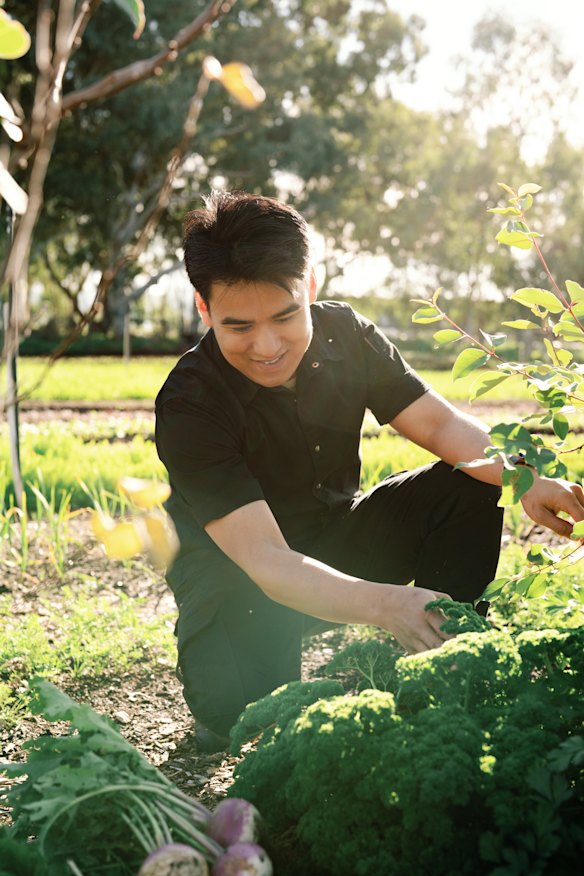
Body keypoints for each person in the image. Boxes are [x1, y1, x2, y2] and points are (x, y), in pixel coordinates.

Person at [155, 190, 584, 751]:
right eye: (239, 327)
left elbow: (440, 427)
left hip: (338, 538)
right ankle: (244, 668)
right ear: (204, 309)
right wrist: (385, 603)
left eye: (286, 316)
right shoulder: (191, 402)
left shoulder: (346, 335)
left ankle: (447, 652)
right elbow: (265, 559)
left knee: (468, 479)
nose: (266, 345)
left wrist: (525, 477)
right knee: (240, 720)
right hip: (240, 578)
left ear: (310, 288)